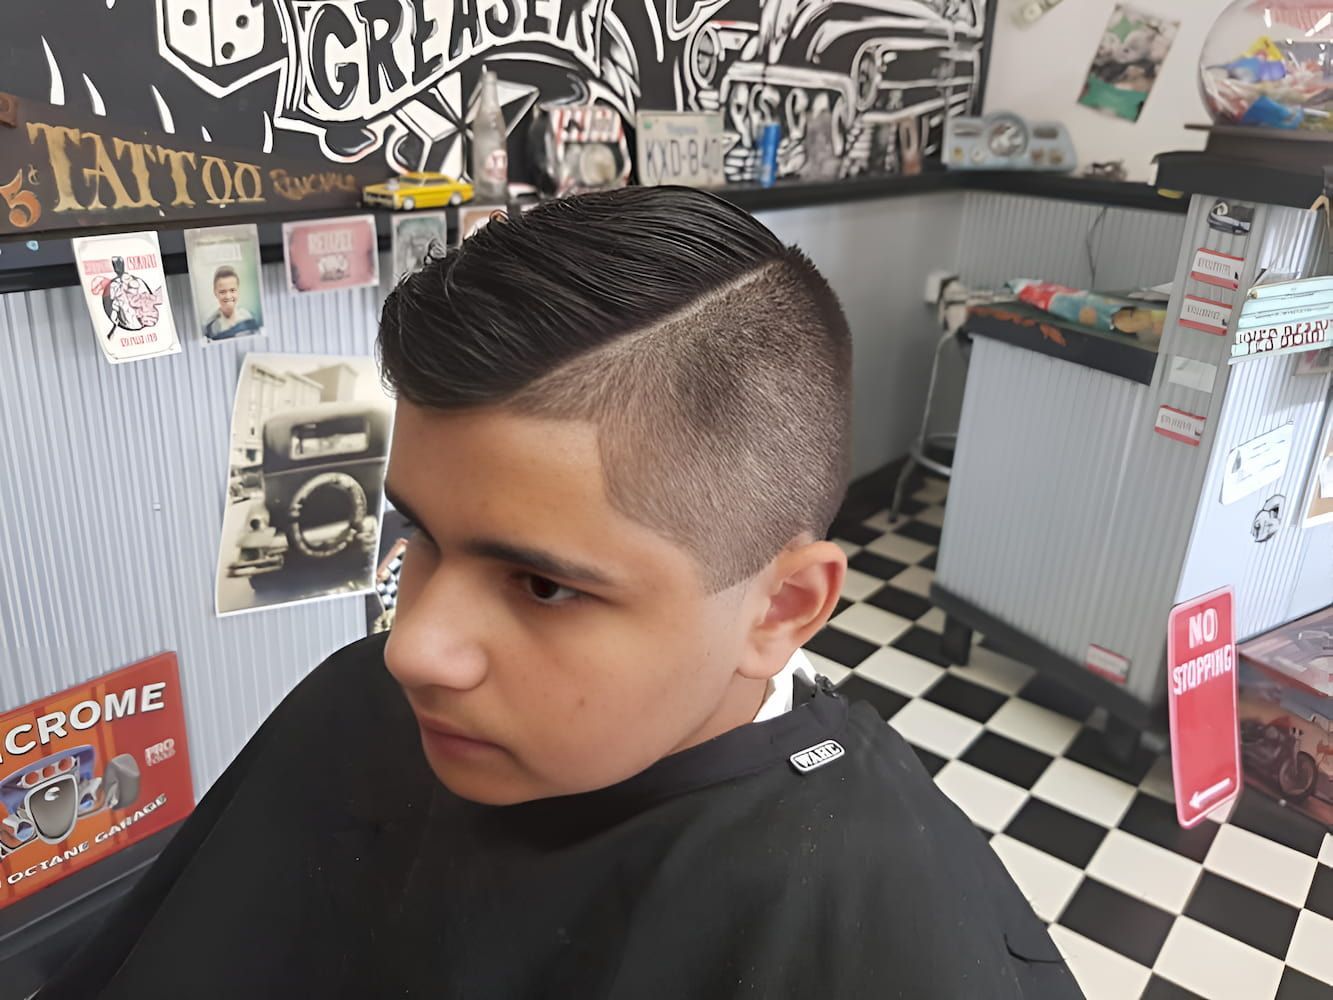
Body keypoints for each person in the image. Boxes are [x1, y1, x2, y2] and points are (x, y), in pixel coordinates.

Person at [39, 187, 1080, 999]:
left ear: (781, 609)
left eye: (540, 585)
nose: (411, 648)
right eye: (419, 534)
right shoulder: (359, 704)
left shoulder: (884, 926)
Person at [202, 265, 260, 340]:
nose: (228, 296)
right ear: (215, 292)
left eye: (232, 290)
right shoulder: (210, 327)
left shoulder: (249, 318)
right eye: (222, 292)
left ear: (238, 290)